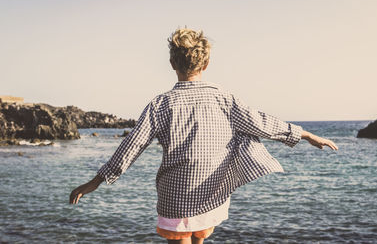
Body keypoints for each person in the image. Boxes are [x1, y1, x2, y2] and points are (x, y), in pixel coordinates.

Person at [70, 28, 338, 244]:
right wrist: (304, 134)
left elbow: (131, 146)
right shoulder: (224, 99)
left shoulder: (161, 104)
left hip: (175, 196)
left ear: (172, 62)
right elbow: (261, 123)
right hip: (211, 192)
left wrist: (96, 181)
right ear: (206, 63)